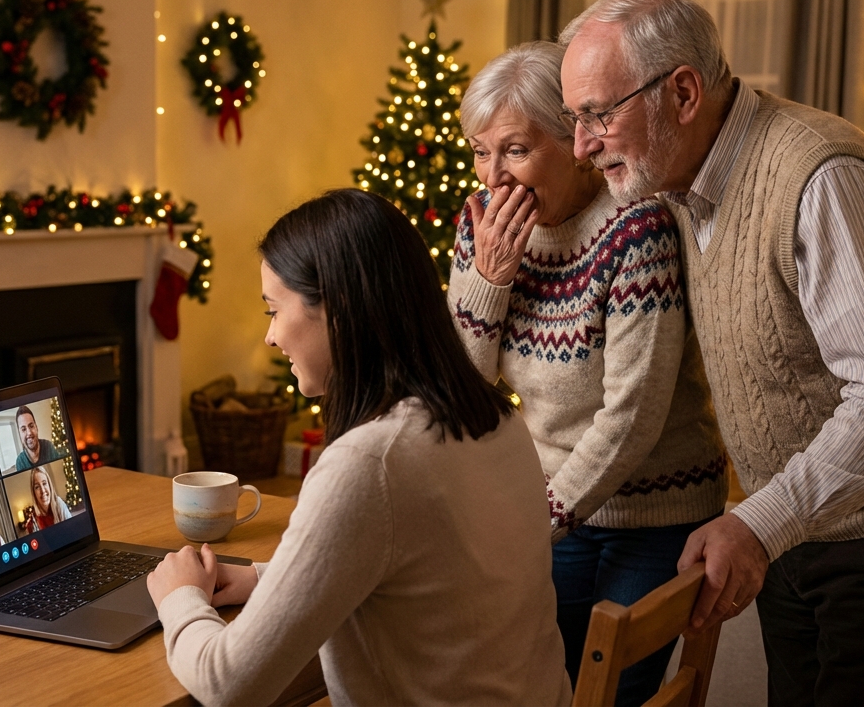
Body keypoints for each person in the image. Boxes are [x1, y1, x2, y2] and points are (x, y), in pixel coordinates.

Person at [559, 0, 864, 705]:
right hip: (795, 516)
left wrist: (759, 523)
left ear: (685, 92)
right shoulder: (674, 175)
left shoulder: (822, 179)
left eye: (599, 113)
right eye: (575, 118)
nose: (581, 144)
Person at [146, 189, 572, 706]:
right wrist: (268, 579)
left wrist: (181, 598)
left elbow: (227, 684)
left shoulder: (372, 462)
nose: (271, 338)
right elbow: (432, 574)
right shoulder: (496, 416)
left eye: (274, 311)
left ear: (339, 309)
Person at [449, 40, 727, 705]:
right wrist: (490, 278)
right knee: (532, 683)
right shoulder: (481, 227)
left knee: (608, 694)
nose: (494, 177)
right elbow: (462, 387)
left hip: (657, 509)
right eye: (481, 152)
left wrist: (535, 519)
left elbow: (632, 414)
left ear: (572, 138)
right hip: (551, 503)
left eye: (514, 149)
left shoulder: (637, 227)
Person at [13, 406, 62, 471]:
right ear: (19, 434)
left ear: (36, 427)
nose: (29, 433)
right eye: (23, 429)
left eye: (31, 426)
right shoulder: (20, 462)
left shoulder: (49, 446)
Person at [26, 466, 72, 532]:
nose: (43, 491)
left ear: (49, 485)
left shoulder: (59, 504)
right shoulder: (33, 521)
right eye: (37, 487)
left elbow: (72, 530)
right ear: (34, 492)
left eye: (44, 483)